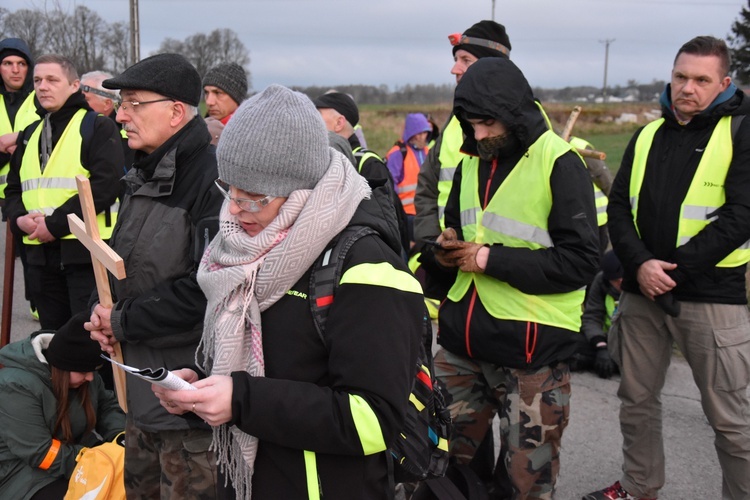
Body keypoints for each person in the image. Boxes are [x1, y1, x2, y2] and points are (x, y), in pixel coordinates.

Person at [151, 84, 424, 499]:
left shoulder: (367, 267)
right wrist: (204, 386)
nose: (235, 210)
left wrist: (241, 399)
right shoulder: (243, 251)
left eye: (254, 198)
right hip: (249, 481)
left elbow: (375, 420)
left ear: (302, 192)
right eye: (230, 190)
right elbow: (274, 367)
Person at [584, 36, 750, 500]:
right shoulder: (647, 135)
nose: (687, 88)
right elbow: (618, 207)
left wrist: (670, 272)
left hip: (712, 299)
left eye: (701, 80)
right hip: (642, 294)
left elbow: (741, 216)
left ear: (724, 83)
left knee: (730, 421)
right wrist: (639, 266)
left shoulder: (740, 131)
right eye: (680, 77)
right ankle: (640, 487)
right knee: (636, 402)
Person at [426, 57, 599, 499]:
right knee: (437, 471)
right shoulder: (469, 162)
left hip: (533, 356)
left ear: (515, 115)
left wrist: (487, 259)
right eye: (470, 123)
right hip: (462, 348)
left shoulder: (558, 162)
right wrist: (445, 253)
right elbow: (461, 239)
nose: (478, 134)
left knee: (526, 485)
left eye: (486, 123)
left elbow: (580, 261)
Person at [84, 53, 223, 499]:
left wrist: (121, 320)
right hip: (139, 392)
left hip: (185, 404)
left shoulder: (213, 182)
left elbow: (207, 291)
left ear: (176, 111)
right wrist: (100, 313)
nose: (120, 115)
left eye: (132, 103)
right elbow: (124, 263)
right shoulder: (144, 174)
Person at [2, 54, 122, 331]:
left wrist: (54, 225)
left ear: (74, 85)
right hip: (39, 257)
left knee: (88, 342)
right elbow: (13, 190)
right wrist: (19, 219)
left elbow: (105, 186)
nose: (42, 86)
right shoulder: (30, 133)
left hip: (84, 255)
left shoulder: (96, 126)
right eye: (37, 81)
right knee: (51, 342)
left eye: (52, 80)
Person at [0, 311, 126, 500]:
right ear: (62, 366)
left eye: (93, 371)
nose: (90, 377)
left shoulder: (82, 371)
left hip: (74, 454)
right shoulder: (15, 386)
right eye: (84, 372)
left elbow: (107, 407)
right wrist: (93, 460)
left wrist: (121, 438)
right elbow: (39, 452)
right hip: (21, 472)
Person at [314, 90, 410, 254]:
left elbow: (385, 223)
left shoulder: (368, 163)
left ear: (339, 123)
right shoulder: (321, 161)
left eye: (318, 116)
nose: (312, 122)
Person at [0, 37, 42, 200]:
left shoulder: (43, 100)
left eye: (21, 64)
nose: (15, 70)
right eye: (8, 63)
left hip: (31, 199)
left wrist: (19, 140)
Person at [570, 249, 622, 379]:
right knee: (567, 341)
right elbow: (591, 317)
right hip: (602, 338)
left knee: (639, 362)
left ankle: (590, 361)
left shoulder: (640, 287)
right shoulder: (600, 281)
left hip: (629, 342)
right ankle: (604, 360)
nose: (620, 283)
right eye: (615, 281)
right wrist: (601, 347)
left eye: (623, 278)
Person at [386, 112, 433, 244]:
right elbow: (390, 185)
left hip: (425, 212)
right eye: (422, 133)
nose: (424, 137)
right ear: (414, 134)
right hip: (407, 215)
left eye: (426, 133)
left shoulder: (428, 152)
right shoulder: (398, 153)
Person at [80, 70, 134, 172]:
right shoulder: (74, 126)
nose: (79, 104)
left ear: (107, 104)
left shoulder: (128, 135)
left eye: (85, 99)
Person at [202, 62, 248, 145]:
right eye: (206, 93)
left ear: (236, 97)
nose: (209, 102)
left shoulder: (247, 138)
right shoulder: (199, 128)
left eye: (218, 93)